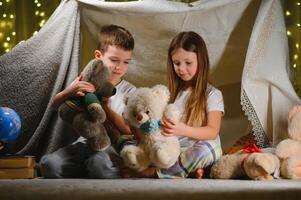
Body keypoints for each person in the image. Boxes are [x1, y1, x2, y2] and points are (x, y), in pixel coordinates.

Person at [121, 31, 224, 179]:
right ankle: (186, 170)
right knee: (127, 141)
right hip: (170, 149)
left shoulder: (212, 94)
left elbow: (212, 131)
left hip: (194, 151)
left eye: (188, 63)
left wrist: (183, 130)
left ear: (201, 61)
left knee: (212, 149)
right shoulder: (172, 94)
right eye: (177, 63)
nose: (181, 69)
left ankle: (155, 172)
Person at [39, 24, 136, 178]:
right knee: (49, 165)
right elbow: (55, 105)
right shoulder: (85, 82)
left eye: (126, 62)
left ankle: (102, 170)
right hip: (86, 142)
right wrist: (70, 91)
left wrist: (105, 108)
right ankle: (87, 169)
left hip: (111, 146)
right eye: (114, 60)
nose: (119, 67)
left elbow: (128, 130)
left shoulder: (130, 92)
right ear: (98, 56)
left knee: (98, 165)